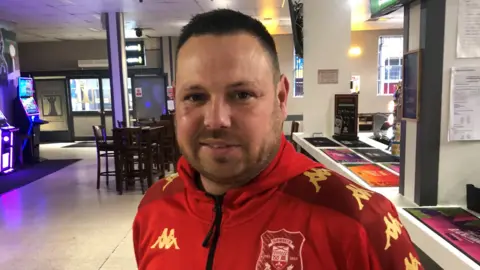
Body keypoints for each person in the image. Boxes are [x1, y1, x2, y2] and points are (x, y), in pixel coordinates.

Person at [133, 9, 422, 270]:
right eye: (195, 97)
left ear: (281, 98)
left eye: (242, 94)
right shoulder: (155, 206)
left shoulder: (360, 222)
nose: (215, 119)